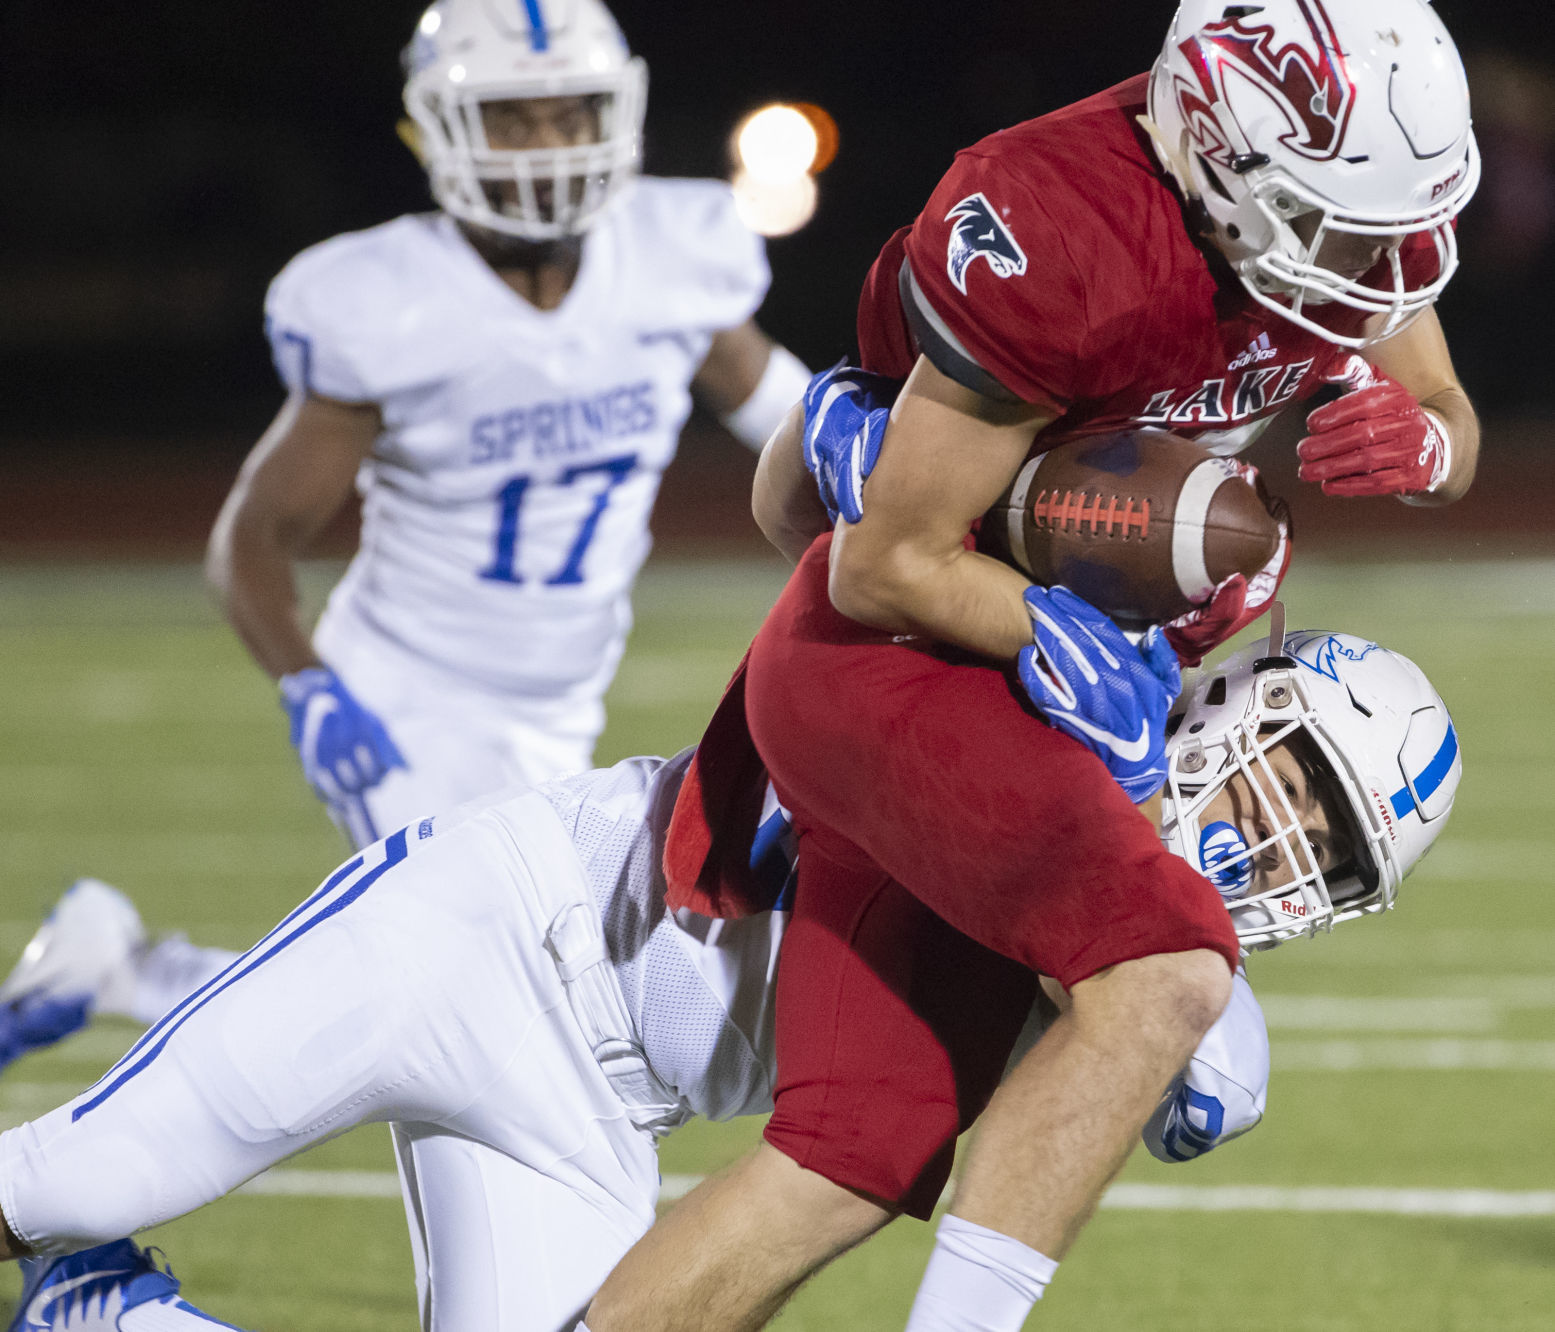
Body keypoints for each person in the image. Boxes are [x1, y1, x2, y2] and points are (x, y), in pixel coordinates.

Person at [583, 3, 1480, 1329]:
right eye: (1342, 231)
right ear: (1225, 154)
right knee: (1174, 983)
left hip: (1052, 619)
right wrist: (1074, 645)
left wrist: (1433, 449)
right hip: (917, 637)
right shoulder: (1063, 228)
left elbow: (1439, 397)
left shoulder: (1344, 199)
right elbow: (870, 555)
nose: (1380, 272)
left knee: (858, 1154)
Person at [0, 611, 1460, 1331]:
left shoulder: (1164, 998)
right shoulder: (1050, 708)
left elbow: (1162, 1032)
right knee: (63, 1186)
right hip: (494, 924)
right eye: (1297, 781)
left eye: (1329, 850)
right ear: (1226, 703)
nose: (1281, 840)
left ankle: (112, 1321)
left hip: (594, 1116)